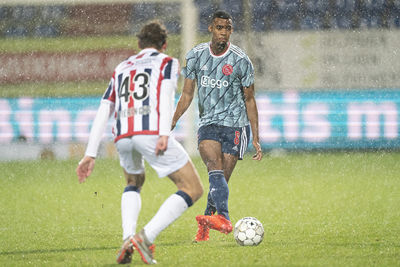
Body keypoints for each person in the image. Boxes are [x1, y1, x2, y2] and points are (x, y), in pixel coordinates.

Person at [76, 21, 203, 265]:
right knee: (192, 188)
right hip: (151, 131)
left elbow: (105, 109)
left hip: (122, 135)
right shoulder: (167, 62)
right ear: (164, 45)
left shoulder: (121, 68)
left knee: (134, 181)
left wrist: (90, 153)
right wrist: (165, 133)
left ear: (138, 44)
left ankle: (127, 239)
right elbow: (166, 95)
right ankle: (145, 237)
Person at [171, 10, 263, 242]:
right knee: (214, 168)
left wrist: (255, 136)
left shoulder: (241, 61)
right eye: (219, 27)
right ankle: (224, 217)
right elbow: (187, 93)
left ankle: (205, 224)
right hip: (208, 124)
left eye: (227, 28)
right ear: (211, 28)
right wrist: (172, 120)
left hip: (235, 126)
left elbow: (250, 99)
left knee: (221, 180)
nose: (223, 32)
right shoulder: (195, 56)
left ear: (231, 31)